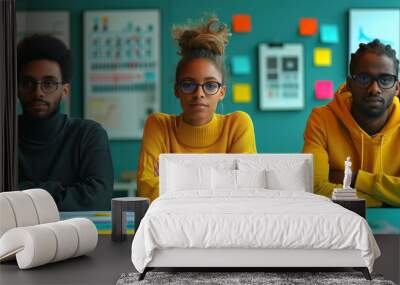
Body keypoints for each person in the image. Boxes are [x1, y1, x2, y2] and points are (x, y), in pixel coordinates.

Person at [137, 17, 257, 202]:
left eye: (210, 85)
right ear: (177, 90)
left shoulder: (238, 125)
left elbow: (243, 193)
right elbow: (148, 194)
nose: (199, 93)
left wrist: (174, 182)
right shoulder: (158, 126)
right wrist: (222, 179)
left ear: (222, 92)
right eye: (188, 84)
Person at [17, 34, 113, 210]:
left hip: (75, 236)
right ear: (17, 88)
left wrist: (20, 192)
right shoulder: (4, 137)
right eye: (28, 83)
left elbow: (98, 200)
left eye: (49, 83)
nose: (38, 92)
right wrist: (64, 192)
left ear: (65, 90)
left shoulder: (89, 134)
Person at [303, 39, 400, 207]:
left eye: (385, 79)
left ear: (397, 88)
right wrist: (388, 199)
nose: (374, 89)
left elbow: (327, 190)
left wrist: (355, 178)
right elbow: (316, 189)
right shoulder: (322, 119)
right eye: (363, 78)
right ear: (349, 84)